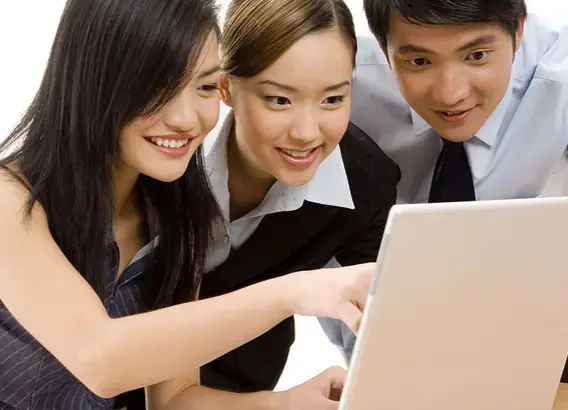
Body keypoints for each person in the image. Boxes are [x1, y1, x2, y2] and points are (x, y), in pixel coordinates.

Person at [0, 0, 380, 408]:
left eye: (204, 87)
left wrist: (286, 403)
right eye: (156, 88)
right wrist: (293, 292)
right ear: (93, 81)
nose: (186, 119)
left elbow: (174, 400)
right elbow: (101, 360)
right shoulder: (10, 198)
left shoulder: (178, 212)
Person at [321, 0, 568, 383]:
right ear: (384, 48)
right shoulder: (339, 90)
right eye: (419, 61)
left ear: (519, 29)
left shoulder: (559, 83)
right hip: (402, 345)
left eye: (477, 56)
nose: (451, 94)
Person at [198, 0, 399, 395]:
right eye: (279, 100)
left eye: (332, 99)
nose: (307, 133)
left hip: (245, 386)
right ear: (225, 87)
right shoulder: (169, 149)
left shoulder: (367, 180)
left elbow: (379, 325)